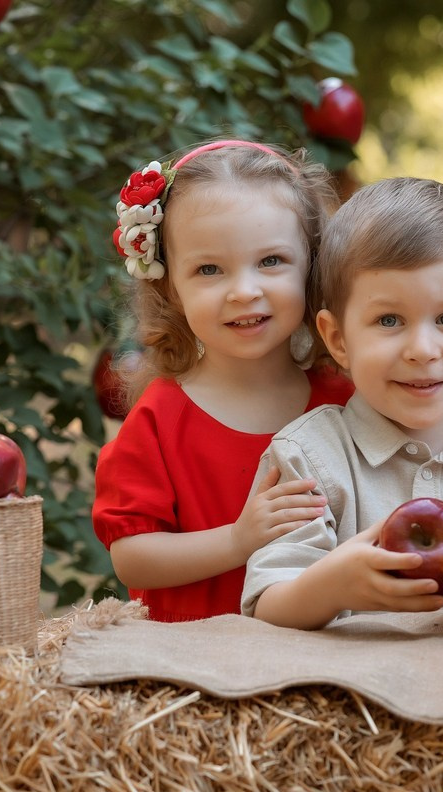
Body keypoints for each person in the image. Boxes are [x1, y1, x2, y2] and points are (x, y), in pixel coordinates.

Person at [240, 176, 443, 630]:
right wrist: (333, 584)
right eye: (389, 320)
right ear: (339, 339)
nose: (422, 349)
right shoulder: (309, 458)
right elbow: (267, 605)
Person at [92, 140, 355, 623]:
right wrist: (238, 539)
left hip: (327, 667)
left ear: (312, 267)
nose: (244, 291)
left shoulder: (348, 403)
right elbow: (132, 558)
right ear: (171, 286)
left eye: (271, 261)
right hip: (197, 669)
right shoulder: (160, 418)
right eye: (209, 269)